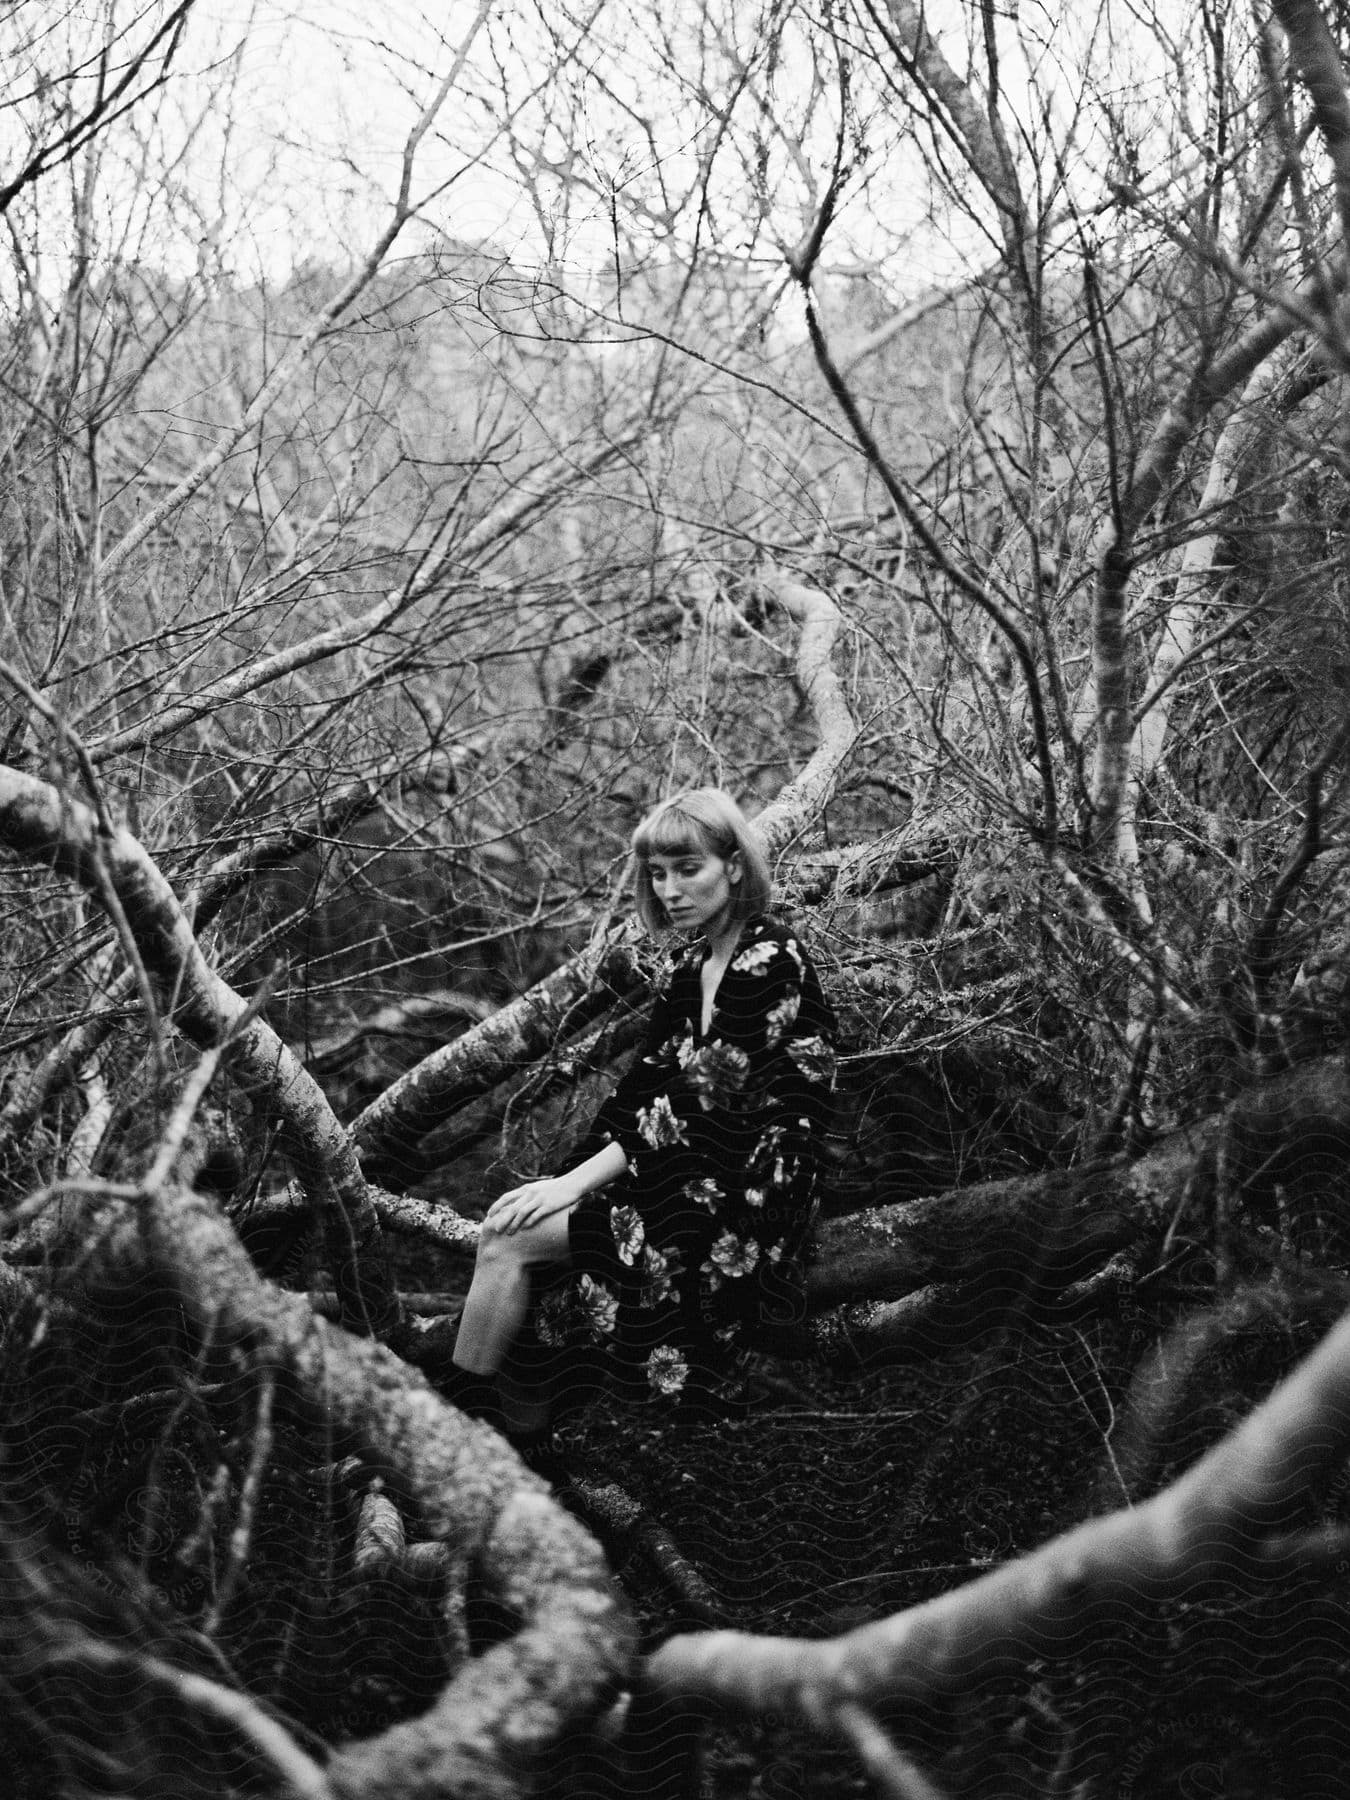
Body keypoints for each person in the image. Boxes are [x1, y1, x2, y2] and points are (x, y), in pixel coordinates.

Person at [445, 787, 837, 1441]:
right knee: (521, 1225)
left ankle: (455, 1434)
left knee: (506, 1242)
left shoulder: (771, 956)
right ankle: (520, 1439)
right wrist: (558, 1182)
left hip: (752, 1184)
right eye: (658, 874)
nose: (671, 889)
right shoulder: (691, 966)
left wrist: (574, 1186)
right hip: (691, 1163)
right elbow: (641, 1088)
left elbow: (699, 1096)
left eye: (689, 869)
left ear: (734, 867)